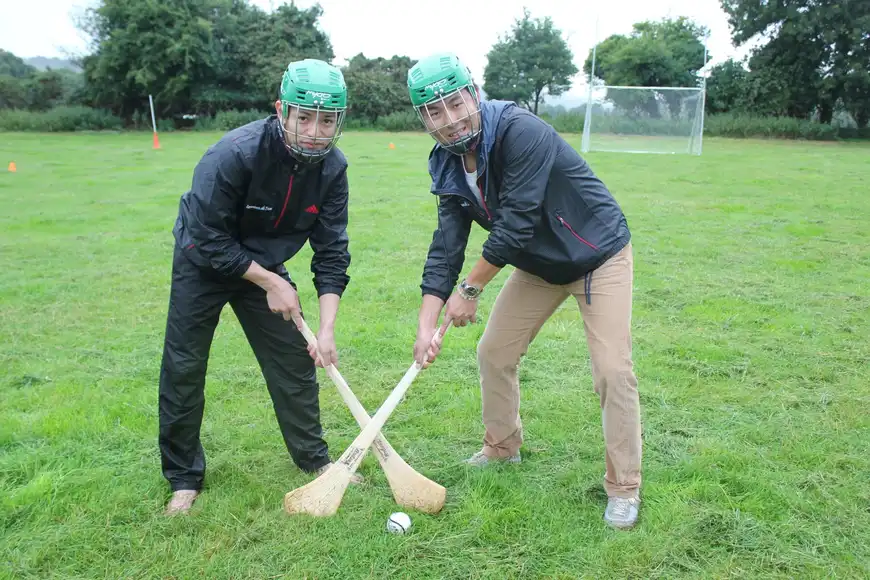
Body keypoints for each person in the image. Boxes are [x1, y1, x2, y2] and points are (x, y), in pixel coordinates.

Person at [406, 53, 643, 529]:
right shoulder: (446, 163)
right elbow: (446, 246)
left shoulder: (520, 131)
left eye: (455, 103)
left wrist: (469, 291)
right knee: (494, 352)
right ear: (423, 119)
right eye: (434, 112)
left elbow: (515, 223)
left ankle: (624, 488)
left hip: (597, 255)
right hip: (538, 265)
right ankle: (501, 449)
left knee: (612, 370)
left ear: (474, 94)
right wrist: (426, 324)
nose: (449, 120)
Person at [158, 58, 359, 515]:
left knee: (294, 358)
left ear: (339, 122)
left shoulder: (333, 169)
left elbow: (331, 251)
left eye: (327, 120)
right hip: (202, 262)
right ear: (281, 111)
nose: (314, 130)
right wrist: (270, 281)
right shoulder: (235, 153)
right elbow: (208, 235)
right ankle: (183, 478)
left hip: (264, 266)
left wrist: (325, 329)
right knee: (184, 365)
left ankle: (313, 461)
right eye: (304, 117)